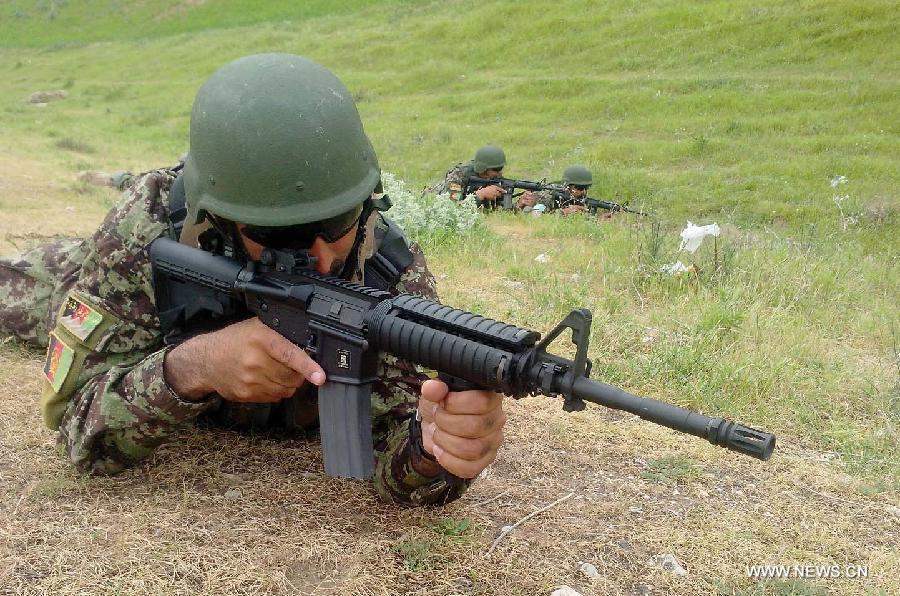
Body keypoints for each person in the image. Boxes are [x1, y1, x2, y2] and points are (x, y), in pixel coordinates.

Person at [0, 53, 506, 507]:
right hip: (79, 279)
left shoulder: (388, 271)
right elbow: (78, 434)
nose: (322, 259)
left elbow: (397, 451)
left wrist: (436, 449)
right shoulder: (148, 230)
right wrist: (190, 368)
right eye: (280, 235)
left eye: (336, 225)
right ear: (218, 220)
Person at [427, 145, 507, 207]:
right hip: (430, 200)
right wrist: (479, 196)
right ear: (483, 168)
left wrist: (517, 205)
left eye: (501, 168)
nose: (500, 173)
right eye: (496, 169)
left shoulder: (493, 178)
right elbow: (451, 208)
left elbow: (499, 208)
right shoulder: (459, 175)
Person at [517, 164, 601, 216]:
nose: (583, 192)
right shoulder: (548, 194)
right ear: (567, 186)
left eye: (586, 188)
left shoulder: (578, 199)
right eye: (579, 188)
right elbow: (533, 216)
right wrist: (563, 213)